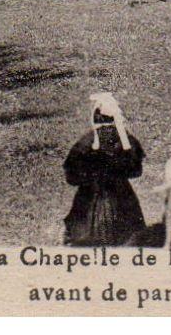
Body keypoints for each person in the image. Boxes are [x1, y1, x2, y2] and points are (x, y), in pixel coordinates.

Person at [62, 91, 149, 246]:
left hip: (89, 199)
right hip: (122, 199)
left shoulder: (85, 143)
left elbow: (72, 178)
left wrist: (91, 174)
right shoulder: (125, 140)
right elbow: (136, 170)